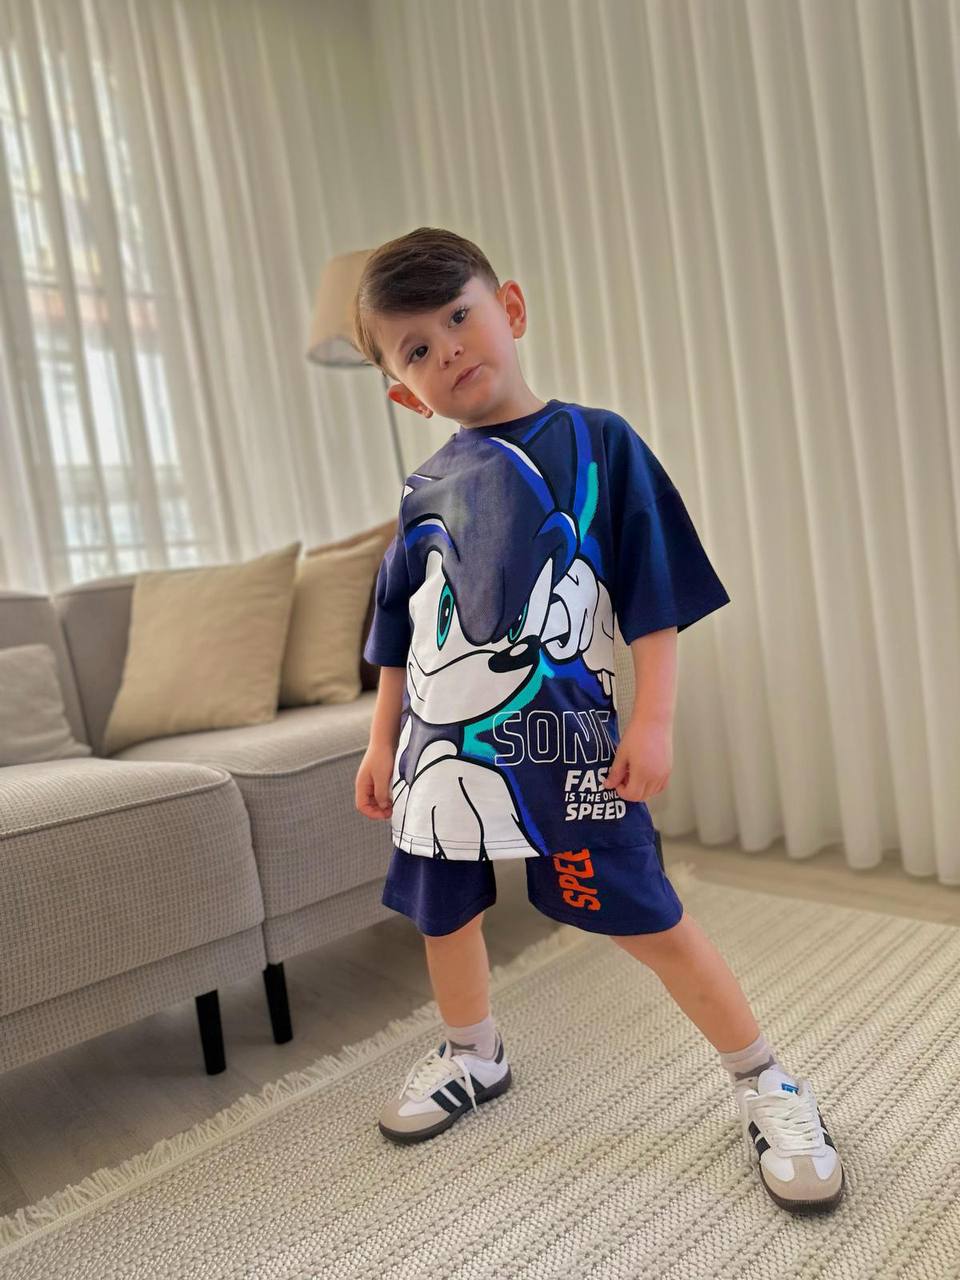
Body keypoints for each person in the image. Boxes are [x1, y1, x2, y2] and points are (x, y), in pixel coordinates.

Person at [352, 226, 844, 1214]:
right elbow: (399, 631)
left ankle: (764, 1078)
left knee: (647, 915)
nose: (448, 347)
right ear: (406, 392)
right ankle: (473, 1052)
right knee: (445, 913)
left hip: (569, 750)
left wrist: (652, 721)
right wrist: (380, 740)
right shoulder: (420, 493)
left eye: (460, 315)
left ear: (511, 309)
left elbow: (654, 595)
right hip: (436, 754)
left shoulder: (599, 442)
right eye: (417, 348)